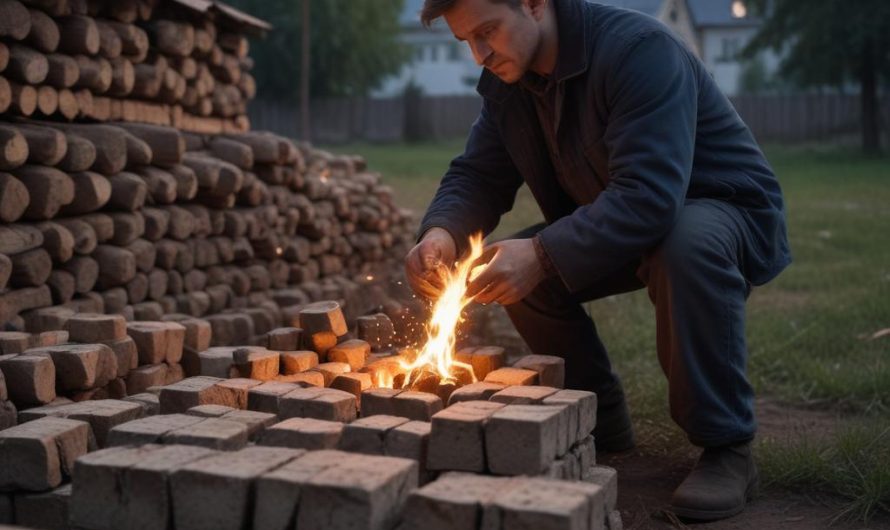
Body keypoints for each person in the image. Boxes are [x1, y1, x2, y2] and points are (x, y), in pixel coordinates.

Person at [403, 0, 791, 521]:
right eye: (465, 41)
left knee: (682, 246)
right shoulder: (509, 83)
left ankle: (727, 448)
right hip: (628, 217)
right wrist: (441, 233)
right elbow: (478, 174)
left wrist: (543, 253)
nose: (479, 55)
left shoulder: (639, 51)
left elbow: (651, 195)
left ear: (535, 4)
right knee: (511, 273)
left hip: (719, 208)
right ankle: (598, 422)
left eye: (487, 31)